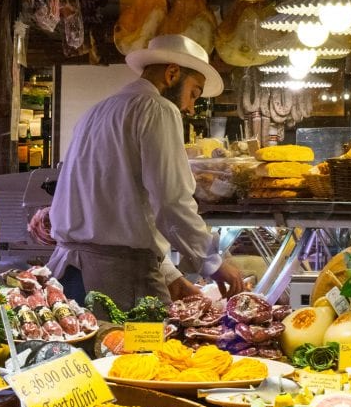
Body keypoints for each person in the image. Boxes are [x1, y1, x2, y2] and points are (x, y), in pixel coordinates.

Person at [47, 34, 246, 311]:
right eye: (194, 93)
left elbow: (123, 210)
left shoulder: (95, 112)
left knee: (89, 354)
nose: (189, 107)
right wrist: (212, 261)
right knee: (145, 354)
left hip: (68, 273)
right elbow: (171, 200)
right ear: (172, 73)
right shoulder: (158, 108)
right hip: (120, 280)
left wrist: (173, 278)